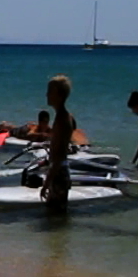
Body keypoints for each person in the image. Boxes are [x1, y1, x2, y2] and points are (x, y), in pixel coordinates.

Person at [42, 74, 77, 212]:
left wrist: (47, 182)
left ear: (59, 95)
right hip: (59, 172)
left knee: (54, 217)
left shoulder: (62, 119)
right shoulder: (65, 117)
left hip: (58, 173)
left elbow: (59, 155)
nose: (47, 95)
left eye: (50, 91)